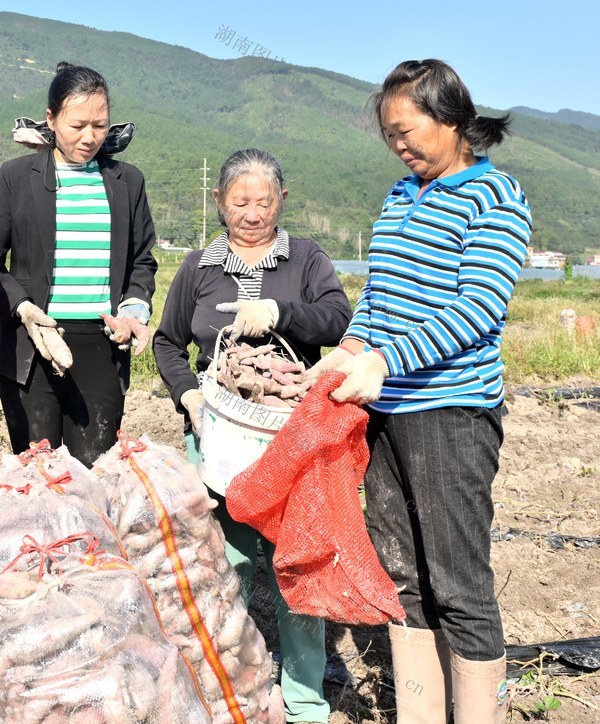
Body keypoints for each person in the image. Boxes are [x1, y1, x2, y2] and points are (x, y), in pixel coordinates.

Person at [307, 59, 532, 724]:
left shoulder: (495, 197)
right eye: (390, 136)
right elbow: (378, 295)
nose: (400, 146)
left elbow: (478, 308)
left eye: (408, 131)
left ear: (452, 117)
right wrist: (349, 350)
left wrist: (387, 359)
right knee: (400, 577)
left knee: (458, 584)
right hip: (387, 413)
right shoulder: (400, 196)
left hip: (451, 415)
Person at [153, 148, 351, 723]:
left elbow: (339, 319)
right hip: (219, 440)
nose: (251, 212)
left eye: (264, 202)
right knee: (227, 564)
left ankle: (305, 700)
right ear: (220, 202)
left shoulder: (307, 260)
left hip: (288, 441)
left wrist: (283, 313)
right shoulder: (199, 267)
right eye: (239, 201)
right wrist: (188, 394)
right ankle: (230, 687)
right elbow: (168, 341)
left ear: (281, 202)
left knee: (295, 565)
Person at [0, 62, 158, 467]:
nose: (89, 137)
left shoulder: (126, 182)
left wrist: (132, 309)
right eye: (77, 125)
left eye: (100, 125)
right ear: (51, 119)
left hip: (101, 347)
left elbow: (142, 261)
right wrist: (23, 308)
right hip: (32, 346)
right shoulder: (16, 177)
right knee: (38, 478)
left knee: (94, 474)